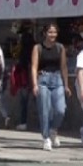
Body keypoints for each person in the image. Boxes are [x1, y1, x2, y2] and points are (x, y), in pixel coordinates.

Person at [31, 23, 71, 151]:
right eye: (50, 32)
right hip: (43, 79)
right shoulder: (38, 48)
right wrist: (34, 84)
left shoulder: (60, 48)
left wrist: (66, 85)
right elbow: (34, 67)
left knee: (61, 109)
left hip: (57, 79)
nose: (52, 35)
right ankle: (46, 137)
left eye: (54, 32)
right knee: (45, 110)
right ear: (45, 33)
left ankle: (53, 129)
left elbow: (64, 67)